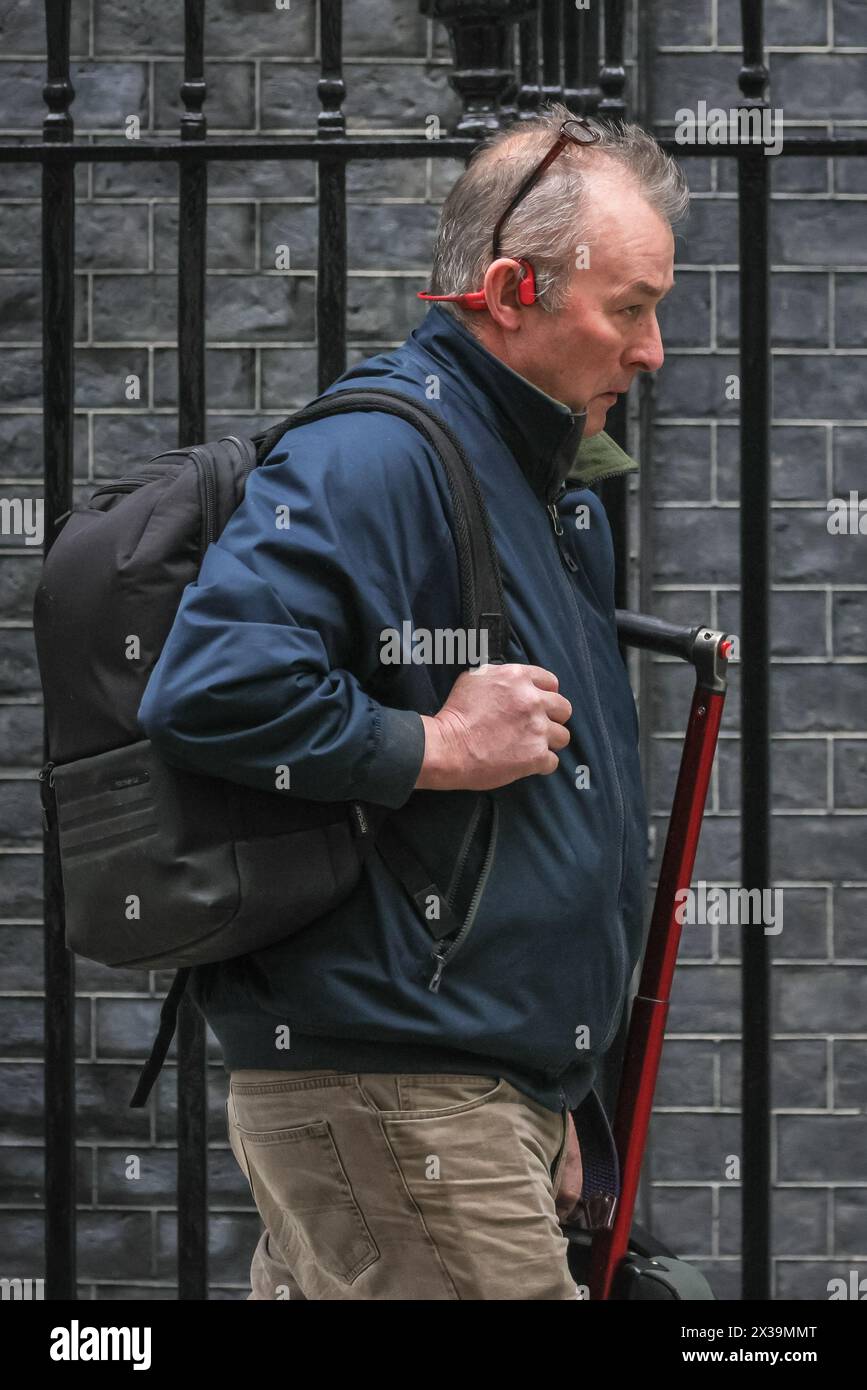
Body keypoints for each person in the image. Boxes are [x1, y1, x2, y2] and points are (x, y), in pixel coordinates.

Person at [138, 101, 689, 1300]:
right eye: (632, 309)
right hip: (402, 1095)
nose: (651, 353)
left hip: (463, 1097)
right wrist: (433, 741)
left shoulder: (547, 491)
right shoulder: (375, 458)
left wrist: (557, 1096)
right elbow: (212, 686)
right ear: (508, 289)